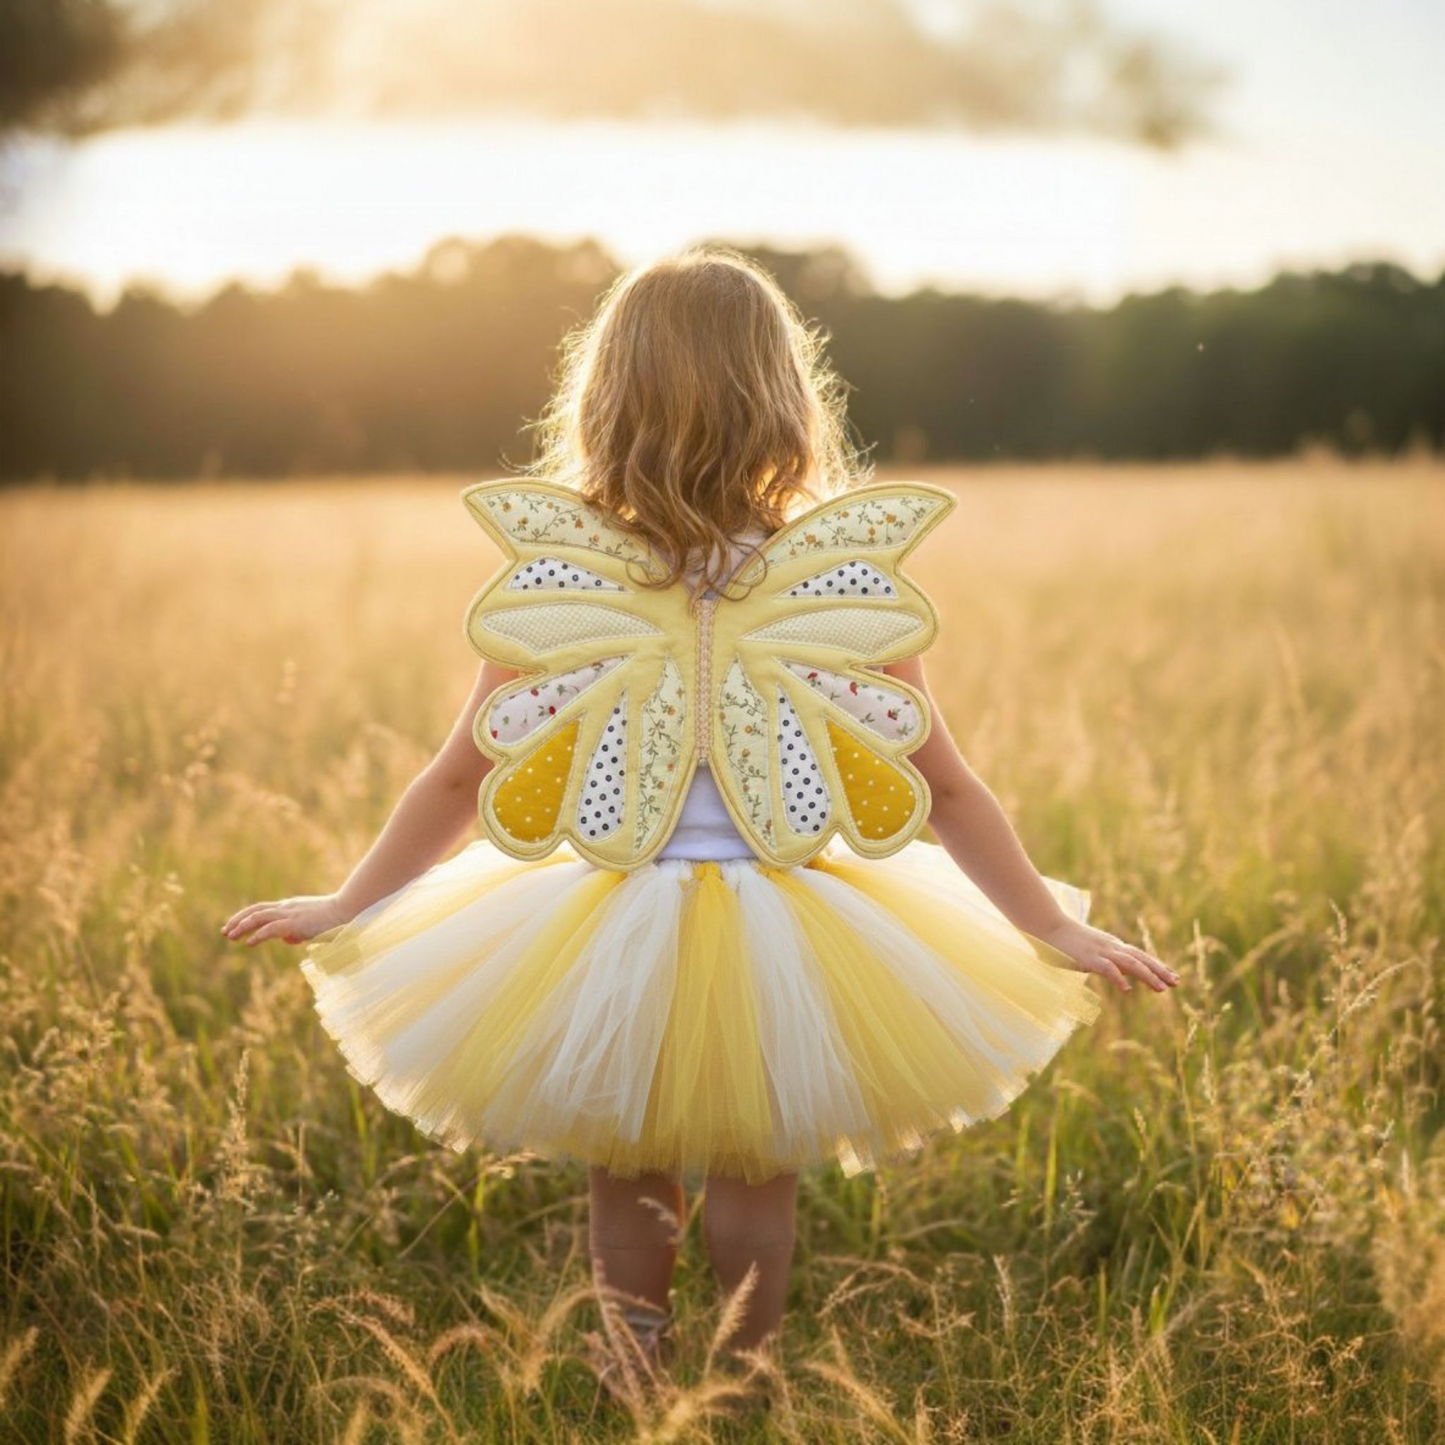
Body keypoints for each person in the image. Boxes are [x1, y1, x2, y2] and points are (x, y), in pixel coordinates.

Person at [221, 246, 1177, 1416]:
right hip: (790, 914)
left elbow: (459, 776)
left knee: (625, 1167)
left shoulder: (568, 580)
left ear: (604, 397)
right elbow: (950, 785)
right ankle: (747, 1385)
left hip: (609, 917)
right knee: (753, 1170)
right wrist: (1042, 925)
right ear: (782, 396)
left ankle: (632, 1381)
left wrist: (351, 901)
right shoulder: (834, 581)